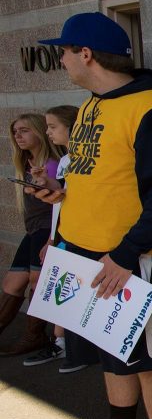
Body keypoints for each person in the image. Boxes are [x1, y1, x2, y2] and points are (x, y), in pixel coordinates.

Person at [34, 12, 152, 419]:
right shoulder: (88, 108)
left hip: (131, 260)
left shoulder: (151, 109)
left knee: (148, 358)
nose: (59, 58)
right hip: (83, 256)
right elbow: (90, 179)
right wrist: (61, 201)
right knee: (110, 351)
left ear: (87, 54)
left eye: (64, 50)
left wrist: (125, 254)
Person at [22, 106, 99, 374]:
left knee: (76, 292)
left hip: (85, 237)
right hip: (64, 235)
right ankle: (65, 345)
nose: (48, 132)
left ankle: (79, 350)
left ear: (72, 127)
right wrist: (52, 238)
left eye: (53, 127)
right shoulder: (65, 161)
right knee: (62, 291)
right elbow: (61, 202)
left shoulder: (90, 159)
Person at [0, 113, 63, 356]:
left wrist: (53, 240)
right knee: (12, 283)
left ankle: (33, 336)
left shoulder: (52, 164)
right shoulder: (25, 164)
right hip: (34, 230)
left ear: (39, 132)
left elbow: (61, 202)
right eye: (15, 131)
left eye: (25, 130)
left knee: (38, 283)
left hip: (48, 230)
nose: (18, 136)